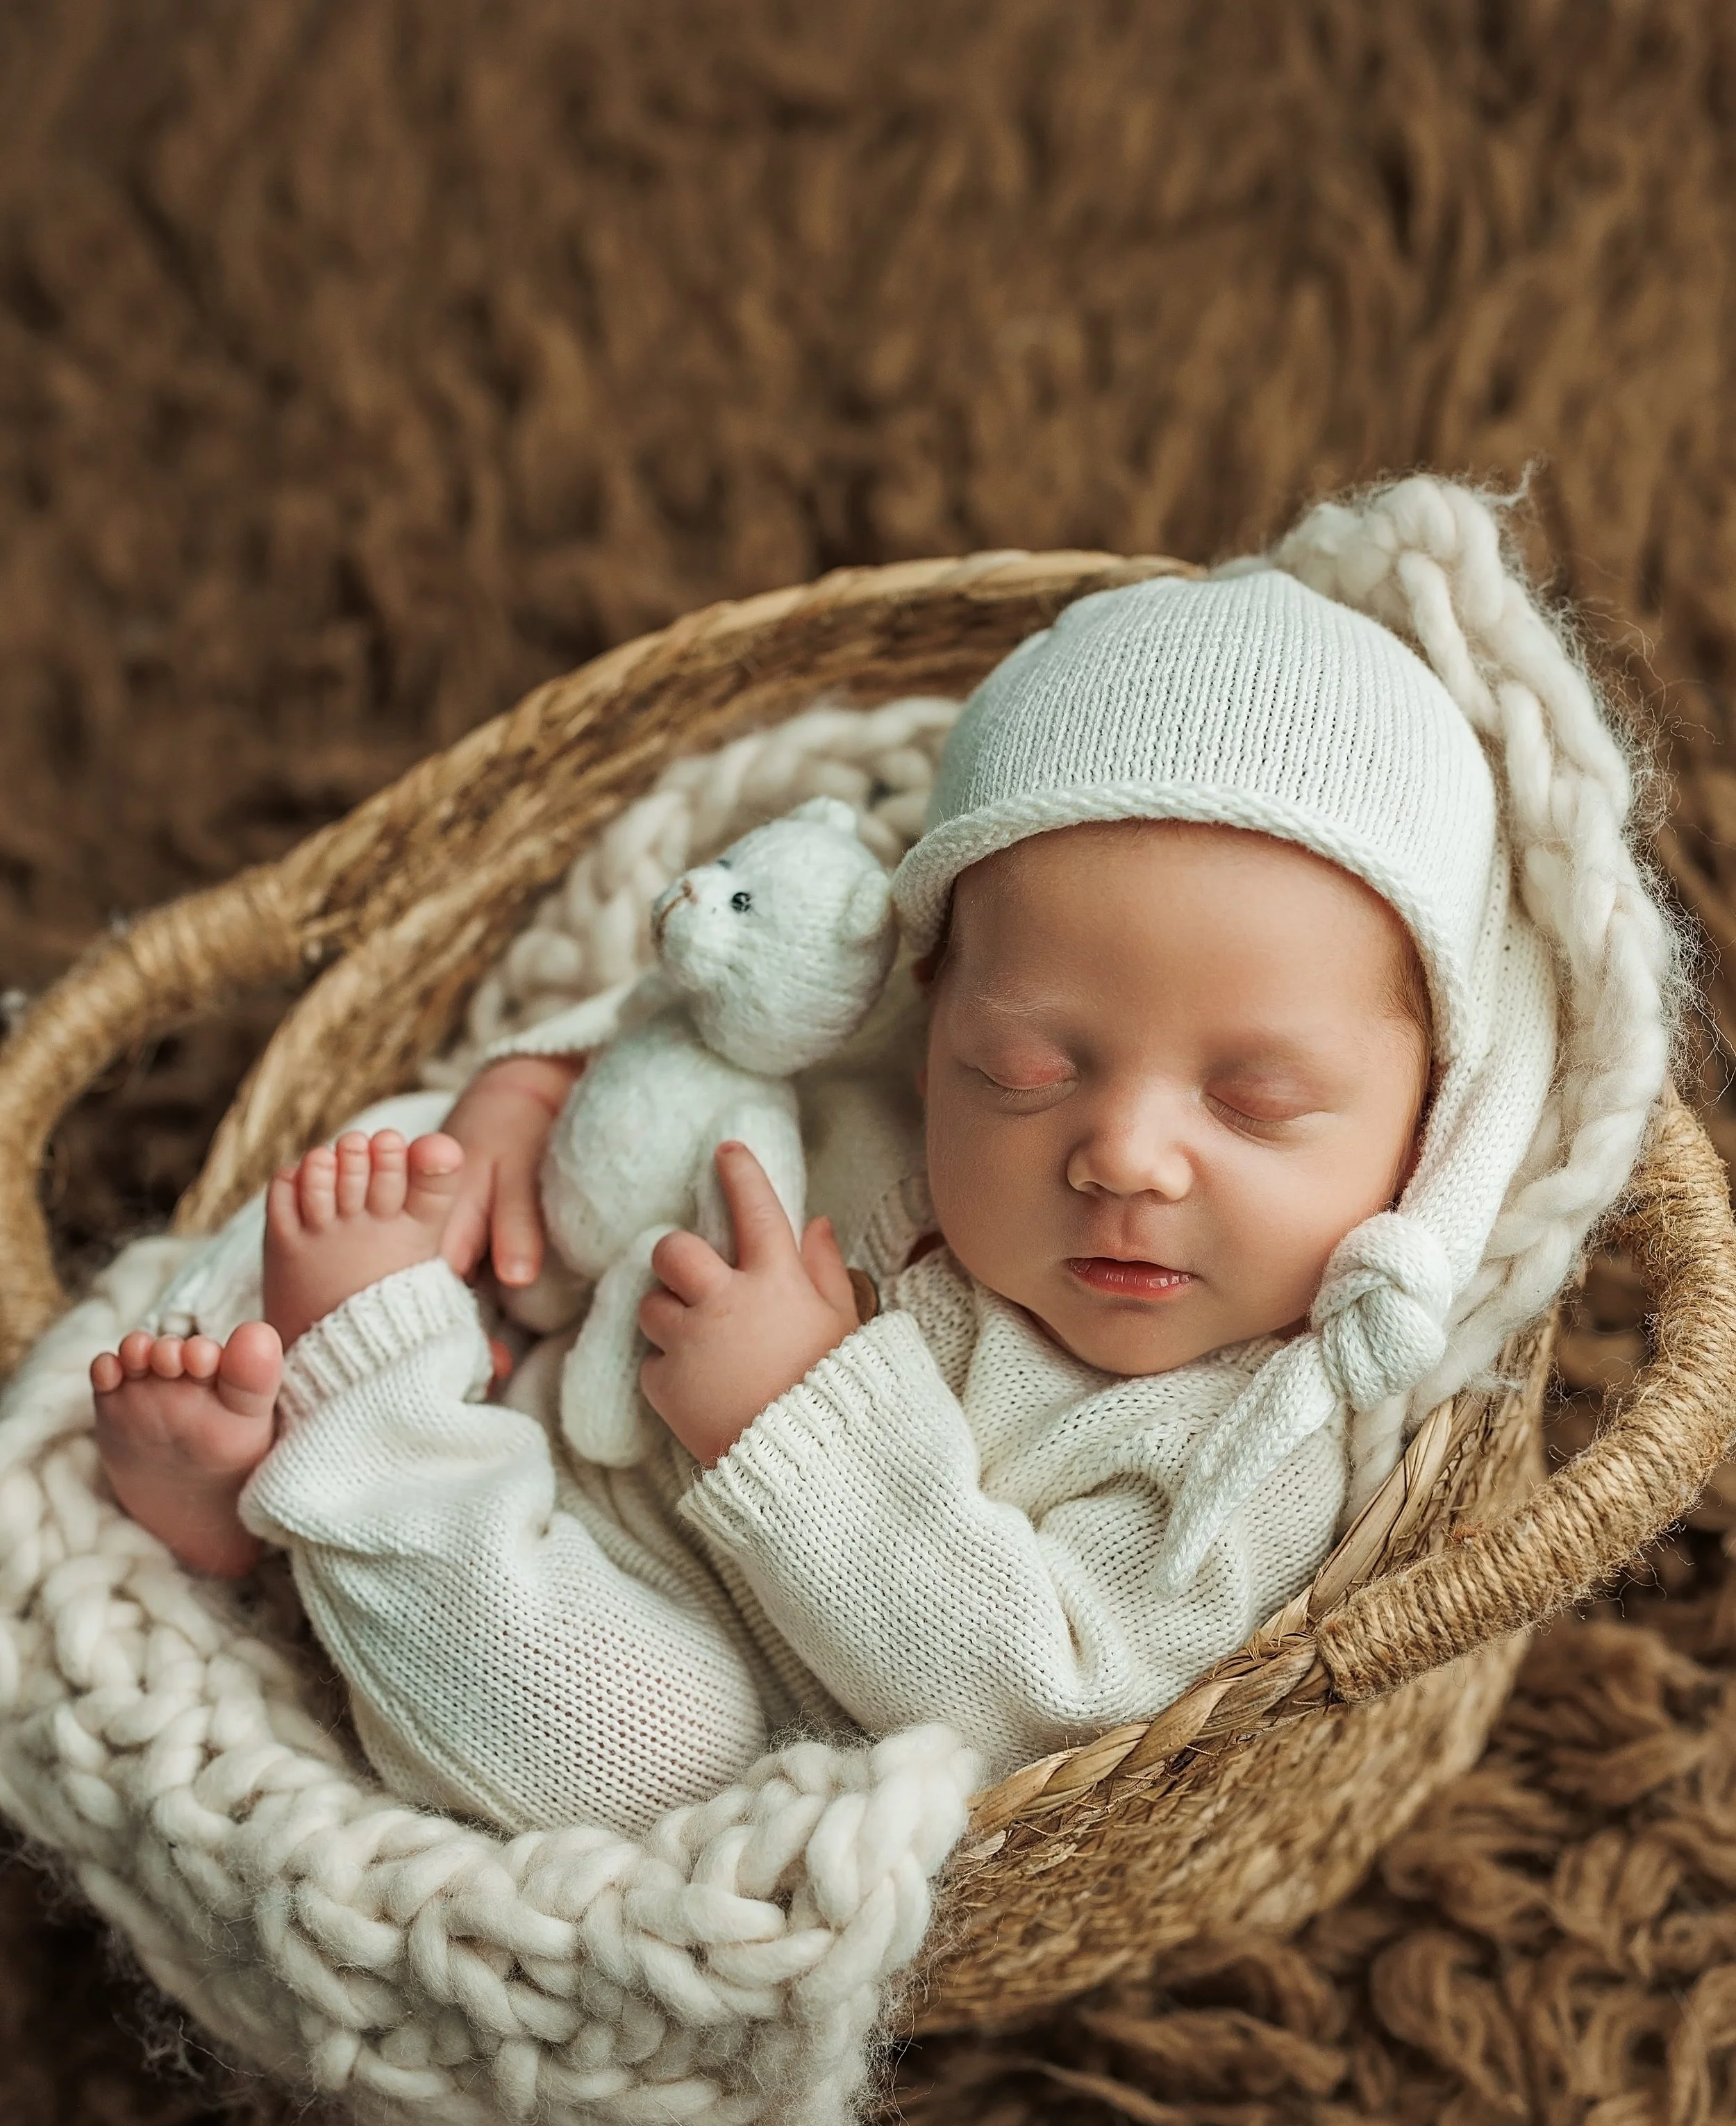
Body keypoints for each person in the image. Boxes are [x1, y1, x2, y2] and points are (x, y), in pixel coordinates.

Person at [85, 476, 1678, 1836]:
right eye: (1022, 1068)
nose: (1122, 1152)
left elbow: (1038, 1700)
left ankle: (356, 1433)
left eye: (1255, 1103)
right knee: (407, 1158)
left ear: (1429, 1114)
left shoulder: (1243, 1439)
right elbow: (715, 1020)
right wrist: (524, 1096)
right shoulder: (885, 1077)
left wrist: (796, 1420)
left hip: (654, 1647)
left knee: (640, 1757)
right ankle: (255, 1485)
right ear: (930, 1009)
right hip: (543, 1368)